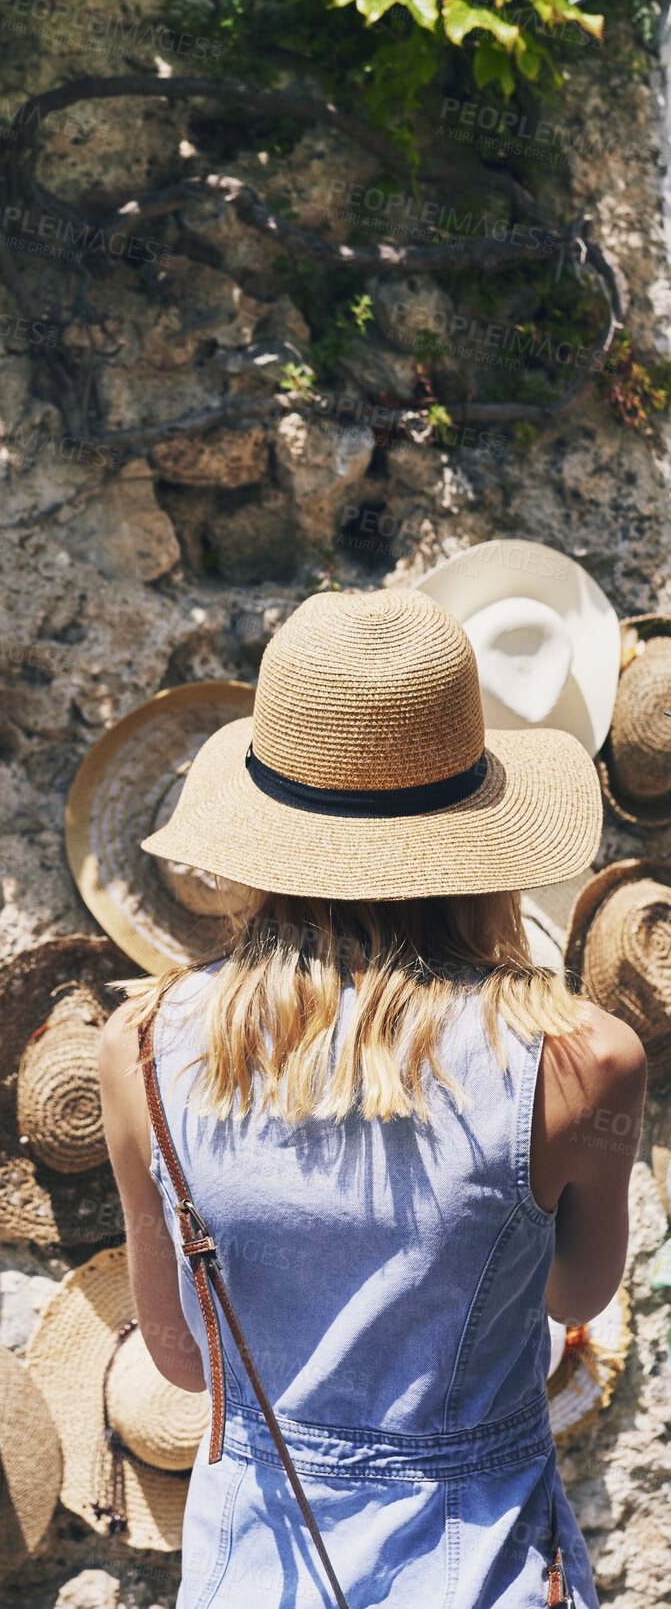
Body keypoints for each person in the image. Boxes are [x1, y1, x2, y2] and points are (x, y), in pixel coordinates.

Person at [100, 588, 645, 1609]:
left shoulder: (136, 1046)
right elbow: (575, 1298)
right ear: (480, 833)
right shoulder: (585, 1059)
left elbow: (180, 1358)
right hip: (477, 1567)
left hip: (252, 1566)